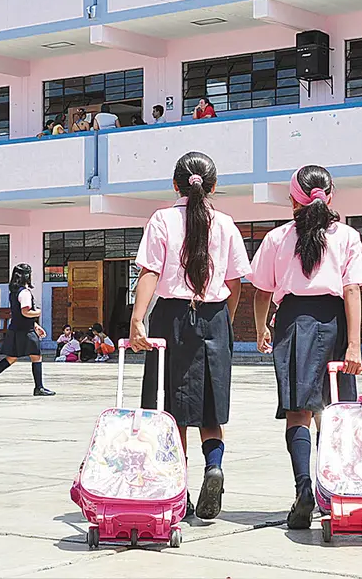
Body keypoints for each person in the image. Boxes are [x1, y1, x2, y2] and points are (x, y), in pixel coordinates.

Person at [250, 164, 362, 530]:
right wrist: (354, 345)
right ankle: (331, 492)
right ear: (330, 196)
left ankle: (303, 488)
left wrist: (261, 329)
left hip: (292, 321)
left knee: (298, 411)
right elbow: (352, 290)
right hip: (335, 321)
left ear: (292, 200)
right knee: (336, 413)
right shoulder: (347, 236)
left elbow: (261, 291)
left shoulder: (277, 237)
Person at [131, 151, 252, 521]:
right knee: (211, 406)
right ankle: (213, 467)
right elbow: (235, 282)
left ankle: (178, 489)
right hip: (214, 317)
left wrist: (138, 319)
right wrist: (222, 320)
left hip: (172, 317)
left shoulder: (162, 219)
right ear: (213, 187)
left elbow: (150, 271)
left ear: (175, 185)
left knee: (172, 408)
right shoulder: (227, 223)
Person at [0, 264, 54, 397]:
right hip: (25, 331)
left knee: (12, 357)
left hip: (17, 329)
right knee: (36, 356)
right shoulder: (24, 292)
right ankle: (39, 388)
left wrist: (36, 326)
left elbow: (18, 313)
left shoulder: (14, 292)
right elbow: (25, 312)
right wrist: (37, 313)